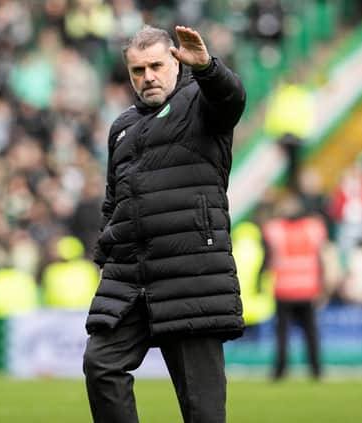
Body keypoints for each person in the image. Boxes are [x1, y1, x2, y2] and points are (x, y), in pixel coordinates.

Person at [82, 25, 246, 423]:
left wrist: (207, 67)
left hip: (189, 272)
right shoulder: (121, 126)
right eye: (137, 70)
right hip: (130, 277)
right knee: (101, 365)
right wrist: (105, 251)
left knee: (202, 411)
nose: (147, 77)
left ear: (175, 61)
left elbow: (231, 99)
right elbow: (113, 199)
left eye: (156, 65)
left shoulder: (200, 103)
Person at [262, 193, 327, 380]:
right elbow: (320, 260)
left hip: (284, 289)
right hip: (307, 289)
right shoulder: (314, 228)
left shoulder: (274, 230)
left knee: (282, 335)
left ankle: (280, 371)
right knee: (311, 334)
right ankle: (316, 371)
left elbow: (267, 260)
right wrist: (322, 285)